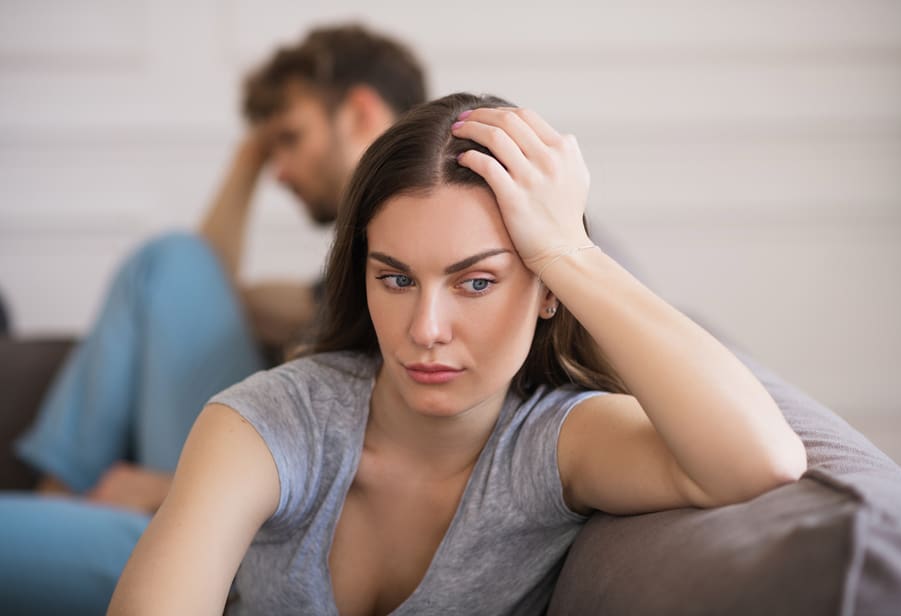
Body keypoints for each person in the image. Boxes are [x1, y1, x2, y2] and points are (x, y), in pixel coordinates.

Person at [108, 92, 807, 615]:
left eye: (475, 282)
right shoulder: (268, 424)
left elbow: (763, 459)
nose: (427, 329)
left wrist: (569, 250)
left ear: (547, 291)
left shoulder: (554, 446)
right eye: (396, 279)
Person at [0, 23, 426, 616]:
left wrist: (167, 491)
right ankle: (63, 500)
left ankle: (69, 512)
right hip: (228, 490)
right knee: (170, 260)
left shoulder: (429, 278)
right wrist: (248, 159)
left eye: (290, 138)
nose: (281, 171)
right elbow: (203, 285)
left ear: (359, 113)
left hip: (263, 533)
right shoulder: (350, 283)